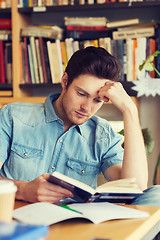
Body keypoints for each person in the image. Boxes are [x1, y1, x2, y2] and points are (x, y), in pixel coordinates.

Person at [0, 46, 159, 205]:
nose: (87, 107)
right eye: (81, 94)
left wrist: (129, 109)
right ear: (65, 81)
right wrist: (22, 190)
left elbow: (136, 188)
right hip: (18, 220)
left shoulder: (102, 136)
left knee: (155, 195)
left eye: (97, 100)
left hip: (75, 225)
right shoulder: (13, 116)